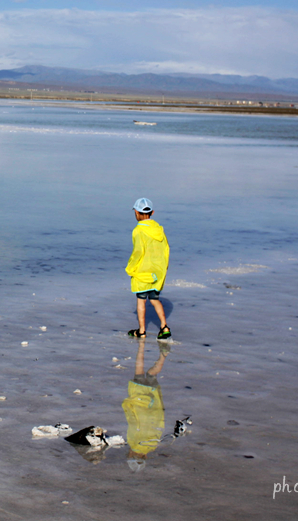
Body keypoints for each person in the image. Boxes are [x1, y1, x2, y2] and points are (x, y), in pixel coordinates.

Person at [125, 197, 171, 339]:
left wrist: (130, 268)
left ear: (137, 213)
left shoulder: (138, 230)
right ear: (152, 212)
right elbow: (166, 250)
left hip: (143, 271)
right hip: (157, 270)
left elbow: (138, 252)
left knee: (141, 300)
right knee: (155, 299)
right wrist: (162, 269)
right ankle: (164, 327)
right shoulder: (159, 229)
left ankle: (142, 331)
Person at [122, 336, 169, 471]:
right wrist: (128, 405)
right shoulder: (133, 442)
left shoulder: (153, 445)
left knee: (151, 375)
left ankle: (163, 355)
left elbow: (160, 423)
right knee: (139, 372)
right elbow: (133, 422)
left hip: (153, 403)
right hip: (140, 402)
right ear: (131, 454)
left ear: (145, 458)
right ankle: (141, 346)